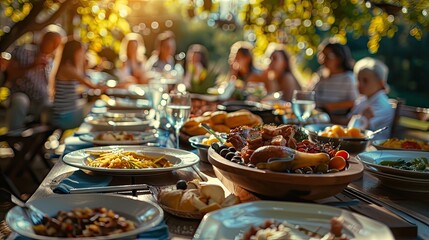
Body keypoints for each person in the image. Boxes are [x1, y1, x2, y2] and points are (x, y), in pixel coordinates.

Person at [5, 25, 65, 131]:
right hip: (23, 97)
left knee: (58, 110)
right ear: (43, 39)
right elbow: (11, 74)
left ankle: (40, 141)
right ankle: (14, 136)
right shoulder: (24, 50)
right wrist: (33, 65)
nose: (55, 47)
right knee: (20, 100)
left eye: (58, 44)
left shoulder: (51, 61)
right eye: (53, 42)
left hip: (41, 102)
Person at [50, 39, 106, 130]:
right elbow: (93, 86)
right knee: (99, 107)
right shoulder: (68, 69)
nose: (83, 55)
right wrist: (119, 86)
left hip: (67, 113)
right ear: (75, 53)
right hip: (64, 117)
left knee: (94, 106)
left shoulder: (66, 66)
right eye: (81, 52)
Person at [347, 57, 394, 139]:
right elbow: (348, 121)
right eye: (358, 79)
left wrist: (362, 118)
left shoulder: (381, 106)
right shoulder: (364, 100)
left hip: (374, 148)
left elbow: (354, 133)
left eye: (365, 80)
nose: (359, 84)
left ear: (380, 83)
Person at [310, 40, 358, 110]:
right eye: (322, 56)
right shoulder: (321, 76)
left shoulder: (348, 78)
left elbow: (354, 102)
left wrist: (328, 106)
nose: (324, 60)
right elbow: (311, 95)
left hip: (337, 118)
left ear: (339, 58)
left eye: (328, 56)